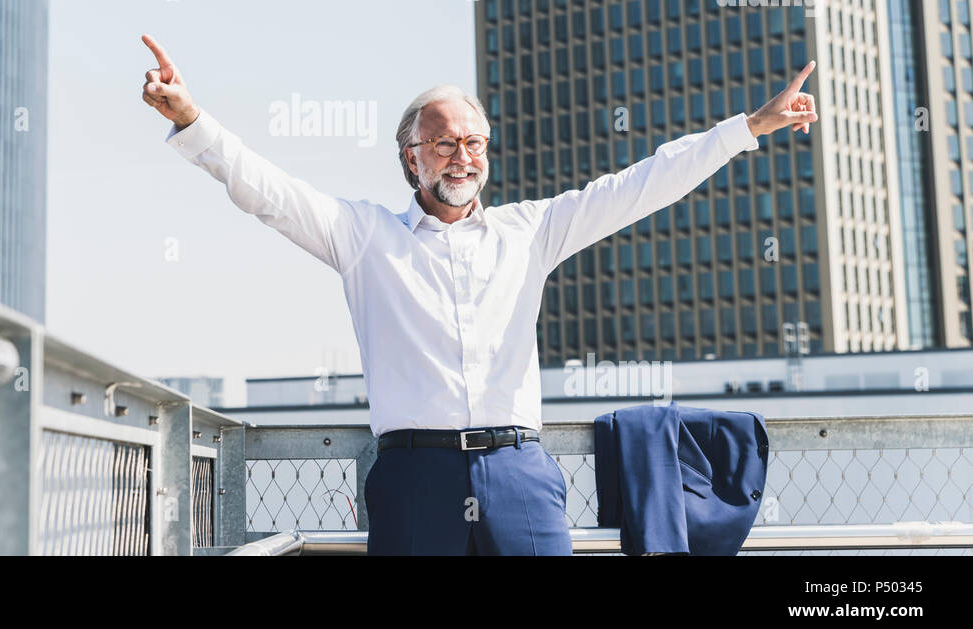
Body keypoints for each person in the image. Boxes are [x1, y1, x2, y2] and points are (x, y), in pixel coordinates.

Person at [139, 33, 818, 554]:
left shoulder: (531, 230)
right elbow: (267, 191)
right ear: (410, 155)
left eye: (474, 142)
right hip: (414, 479)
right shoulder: (363, 235)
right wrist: (193, 118)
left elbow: (642, 183)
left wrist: (747, 129)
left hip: (518, 471)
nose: (461, 157)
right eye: (442, 144)